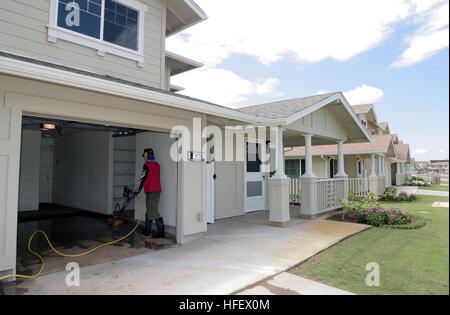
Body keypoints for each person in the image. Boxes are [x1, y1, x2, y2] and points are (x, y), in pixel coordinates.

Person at [136, 148, 164, 238]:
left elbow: (142, 178)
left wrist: (137, 189)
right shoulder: (157, 165)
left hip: (152, 191)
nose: (144, 158)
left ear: (147, 156)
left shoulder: (147, 165)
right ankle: (147, 230)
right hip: (155, 190)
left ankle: (161, 232)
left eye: (145, 156)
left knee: (153, 210)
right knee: (150, 210)